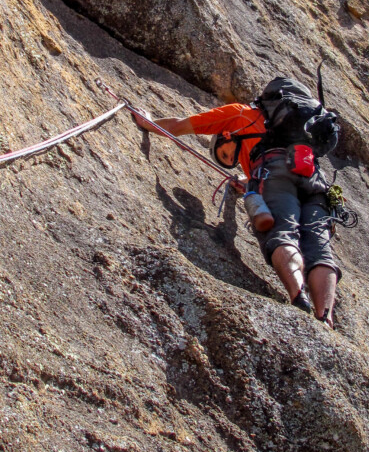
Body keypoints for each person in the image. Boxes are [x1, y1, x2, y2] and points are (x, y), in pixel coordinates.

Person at [132, 92, 341, 329]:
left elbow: (180, 126)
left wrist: (146, 121)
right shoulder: (281, 129)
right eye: (227, 161)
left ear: (225, 135)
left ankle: (298, 295)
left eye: (224, 153)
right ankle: (325, 317)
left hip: (276, 172)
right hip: (313, 178)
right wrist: (248, 180)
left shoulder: (239, 114)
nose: (231, 158)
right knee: (318, 246)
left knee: (282, 233)